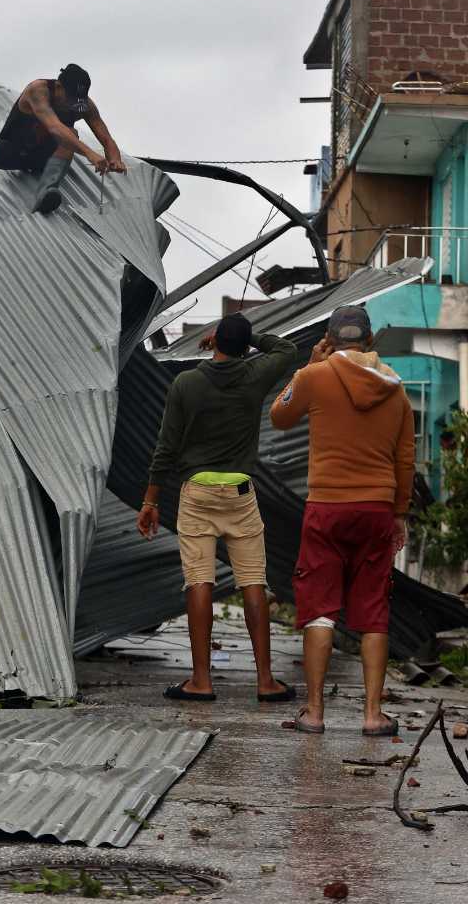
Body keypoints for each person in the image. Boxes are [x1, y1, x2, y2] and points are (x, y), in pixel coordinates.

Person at [137, 313, 298, 703]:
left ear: (215, 342)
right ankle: (265, 681)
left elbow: (166, 447)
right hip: (240, 494)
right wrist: (248, 338)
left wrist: (150, 500)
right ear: (243, 346)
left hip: (198, 494)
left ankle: (201, 680)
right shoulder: (254, 376)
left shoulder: (186, 383)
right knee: (253, 582)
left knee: (199, 581)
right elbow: (286, 348)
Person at [270, 305, 414, 737]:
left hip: (327, 508)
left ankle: (314, 713)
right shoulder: (396, 388)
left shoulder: (314, 377)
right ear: (370, 340)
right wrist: (399, 514)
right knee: (373, 612)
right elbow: (404, 459)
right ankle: (372, 715)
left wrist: (307, 367)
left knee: (320, 610)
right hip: (376, 509)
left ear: (329, 340)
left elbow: (279, 415)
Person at [0, 64, 126, 230]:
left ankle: (46, 193)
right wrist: (89, 153)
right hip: (15, 151)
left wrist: (115, 160)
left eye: (77, 100)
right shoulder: (38, 91)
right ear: (58, 86)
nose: (72, 105)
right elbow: (55, 128)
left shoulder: (82, 105)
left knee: (71, 134)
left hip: (45, 157)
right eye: (70, 98)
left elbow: (106, 139)